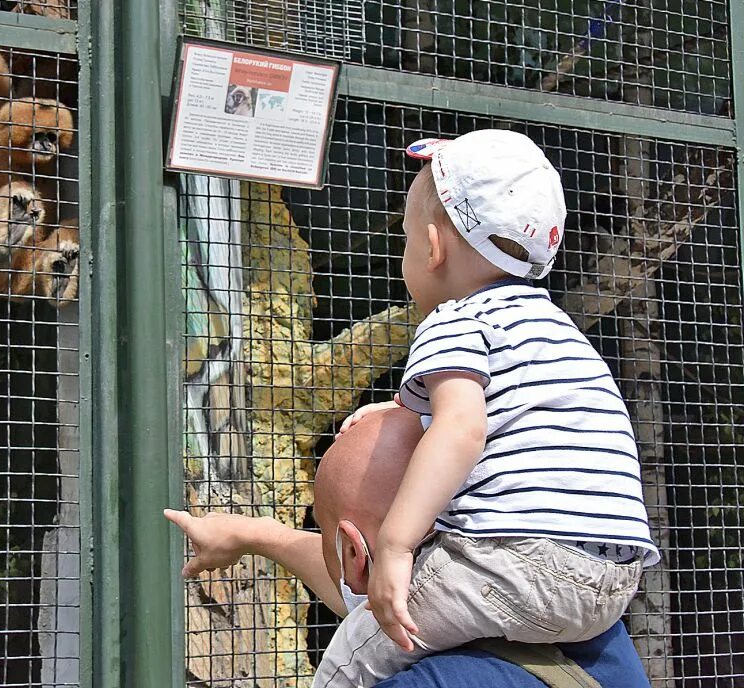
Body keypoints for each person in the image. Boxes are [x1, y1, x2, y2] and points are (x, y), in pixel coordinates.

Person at [318, 131, 659, 685]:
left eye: (404, 238)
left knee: (351, 658)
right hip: (612, 583)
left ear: (431, 248)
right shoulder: (557, 333)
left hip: (514, 564)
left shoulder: (455, 320)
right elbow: (501, 421)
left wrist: (399, 545)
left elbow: (460, 429)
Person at [164, 407, 651, 687]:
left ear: (355, 555)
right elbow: (374, 598)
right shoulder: (578, 616)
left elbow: (371, 599)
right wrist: (256, 535)